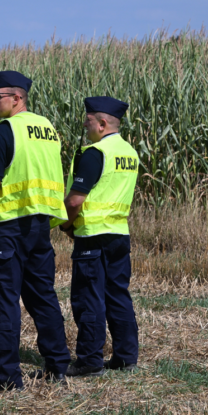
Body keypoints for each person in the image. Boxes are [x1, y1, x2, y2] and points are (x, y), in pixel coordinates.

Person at [0, 71, 71, 392]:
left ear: (16, 98)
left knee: (4, 301)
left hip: (9, 226)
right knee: (43, 297)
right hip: (40, 226)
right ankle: (57, 366)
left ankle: (6, 378)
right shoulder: (47, 129)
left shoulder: (5, 130)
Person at [59, 97, 140, 377]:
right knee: (118, 295)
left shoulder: (96, 152)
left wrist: (67, 227)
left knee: (88, 298)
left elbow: (74, 201)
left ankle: (90, 360)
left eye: (89, 122)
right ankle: (126, 357)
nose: (86, 127)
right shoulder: (129, 152)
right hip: (119, 233)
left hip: (92, 235)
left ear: (102, 124)